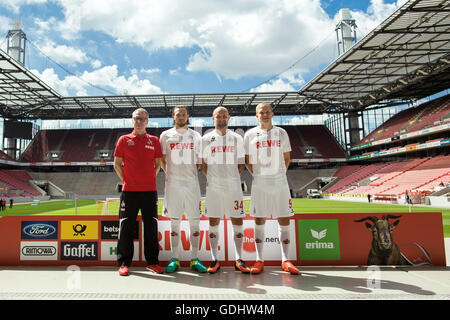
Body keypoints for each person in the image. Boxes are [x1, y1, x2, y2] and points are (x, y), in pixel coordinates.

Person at [244, 102, 300, 275]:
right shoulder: (250, 134)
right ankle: (259, 260)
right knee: (259, 219)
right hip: (260, 182)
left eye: (268, 111)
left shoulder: (281, 133)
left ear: (272, 114)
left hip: (280, 182)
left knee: (284, 219)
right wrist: (260, 175)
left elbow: (287, 158)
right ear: (256, 116)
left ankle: (286, 260)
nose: (265, 114)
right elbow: (247, 160)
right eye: (262, 112)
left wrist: (278, 174)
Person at [114, 108, 163, 276]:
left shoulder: (155, 141)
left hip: (150, 191)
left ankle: (152, 262)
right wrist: (126, 180)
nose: (139, 121)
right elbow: (117, 164)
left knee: (151, 227)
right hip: (130, 192)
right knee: (126, 227)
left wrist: (149, 178)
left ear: (147, 121)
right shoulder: (124, 140)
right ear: (132, 120)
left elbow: (157, 165)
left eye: (142, 118)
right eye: (136, 118)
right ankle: (124, 263)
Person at [201, 106, 251, 274]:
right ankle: (215, 259)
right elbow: (203, 165)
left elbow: (241, 164)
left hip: (233, 186)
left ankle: (239, 259)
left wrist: (229, 178)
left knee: (237, 220)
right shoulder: (206, 139)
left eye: (224, 116)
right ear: (212, 118)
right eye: (218, 116)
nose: (221, 118)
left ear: (228, 117)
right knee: (213, 221)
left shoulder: (237, 138)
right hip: (213, 187)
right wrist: (215, 179)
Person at [159, 105, 207, 273]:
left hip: (192, 184)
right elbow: (162, 159)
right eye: (177, 114)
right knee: (174, 222)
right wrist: (170, 174)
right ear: (173, 117)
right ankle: (175, 258)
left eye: (183, 114)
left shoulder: (196, 136)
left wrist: (191, 173)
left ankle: (195, 258)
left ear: (187, 117)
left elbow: (200, 161)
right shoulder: (165, 135)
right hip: (173, 184)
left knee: (195, 221)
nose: (180, 117)